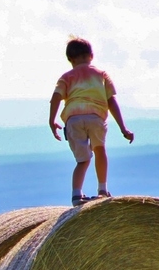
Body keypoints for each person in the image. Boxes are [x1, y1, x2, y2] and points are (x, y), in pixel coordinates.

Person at [48, 37, 134, 207]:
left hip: (73, 119)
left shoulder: (67, 76)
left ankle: (76, 194)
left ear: (70, 60)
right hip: (96, 117)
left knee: (82, 160)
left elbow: (55, 98)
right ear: (91, 55)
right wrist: (123, 128)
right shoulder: (101, 75)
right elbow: (112, 101)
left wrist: (52, 121)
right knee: (100, 151)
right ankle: (102, 190)